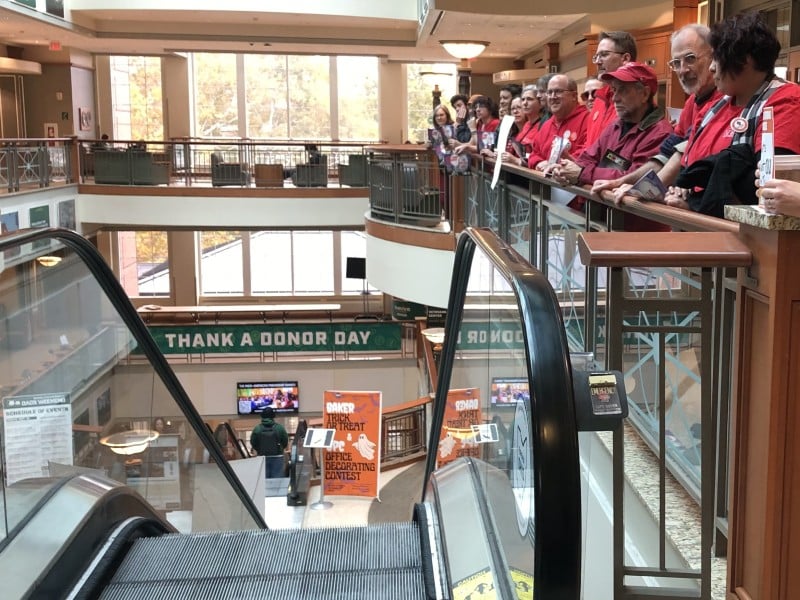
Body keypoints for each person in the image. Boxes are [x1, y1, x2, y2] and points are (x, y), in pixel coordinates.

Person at [664, 11, 800, 217]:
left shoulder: (785, 100)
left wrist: (696, 204)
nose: (711, 68)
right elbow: (688, 165)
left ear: (744, 61)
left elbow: (766, 189)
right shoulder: (716, 105)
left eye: (716, 58)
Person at [592, 23, 721, 200]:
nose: (682, 70)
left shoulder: (724, 99)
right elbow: (666, 156)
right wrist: (621, 182)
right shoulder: (692, 102)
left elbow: (678, 156)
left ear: (713, 56)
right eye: (676, 63)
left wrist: (642, 190)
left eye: (690, 58)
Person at [551, 62, 672, 227]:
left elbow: (633, 177)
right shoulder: (615, 125)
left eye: (622, 90)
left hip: (634, 231)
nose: (614, 98)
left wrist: (582, 174)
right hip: (601, 220)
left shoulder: (661, 132)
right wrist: (570, 169)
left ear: (644, 94)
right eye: (614, 90)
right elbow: (587, 158)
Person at [527, 74, 589, 172]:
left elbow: (586, 155)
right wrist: (539, 163)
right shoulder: (547, 125)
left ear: (573, 95)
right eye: (549, 92)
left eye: (558, 91)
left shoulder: (587, 120)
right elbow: (534, 154)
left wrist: (556, 165)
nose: (552, 97)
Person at [586, 31, 637, 146]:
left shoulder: (636, 99)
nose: (598, 62)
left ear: (625, 58)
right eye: (596, 57)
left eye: (604, 55)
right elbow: (589, 147)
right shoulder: (599, 98)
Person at [250, 407, 289, 478]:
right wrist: (280, 448)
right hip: (278, 457)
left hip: (262, 457)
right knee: (277, 480)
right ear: (273, 416)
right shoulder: (279, 428)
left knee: (263, 479)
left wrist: (259, 449)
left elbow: (253, 442)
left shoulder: (257, 428)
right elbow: (285, 441)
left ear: (262, 416)